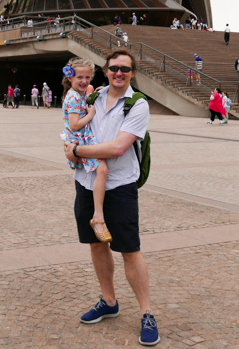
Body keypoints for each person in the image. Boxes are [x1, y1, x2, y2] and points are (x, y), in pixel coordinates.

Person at [62, 49, 158, 346]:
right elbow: (73, 123)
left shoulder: (137, 105)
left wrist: (75, 151)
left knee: (129, 249)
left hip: (119, 185)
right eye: (114, 67)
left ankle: (147, 313)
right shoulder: (94, 96)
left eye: (125, 69)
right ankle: (109, 301)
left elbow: (117, 148)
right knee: (95, 244)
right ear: (107, 70)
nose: (119, 73)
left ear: (132, 73)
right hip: (86, 182)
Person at [60, 58, 111, 243]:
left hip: (82, 139)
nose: (84, 81)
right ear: (70, 77)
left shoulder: (77, 93)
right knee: (103, 170)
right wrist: (90, 115)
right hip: (81, 140)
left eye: (88, 77)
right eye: (80, 77)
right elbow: (74, 125)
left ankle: (98, 214)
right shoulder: (73, 97)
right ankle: (98, 216)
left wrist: (96, 91)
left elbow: (88, 93)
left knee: (102, 170)